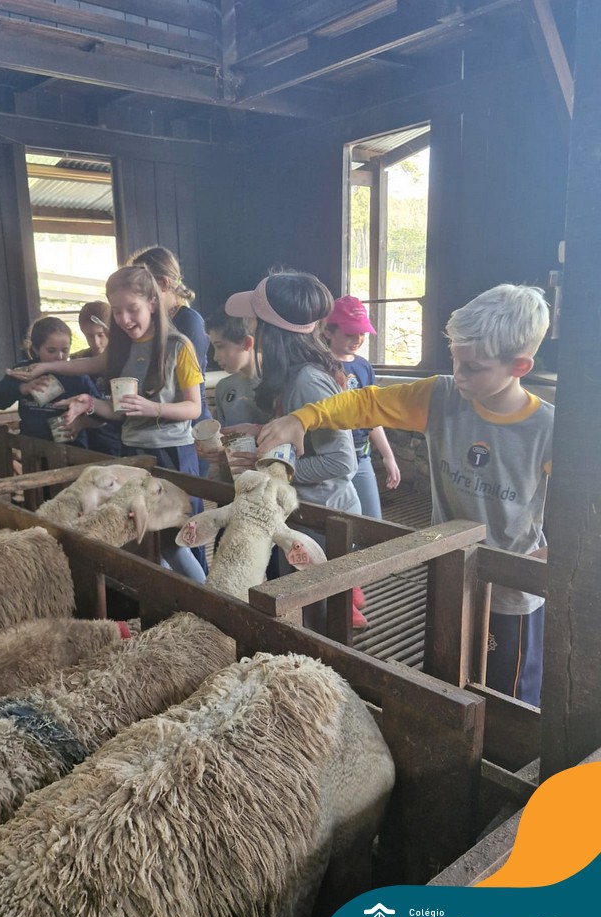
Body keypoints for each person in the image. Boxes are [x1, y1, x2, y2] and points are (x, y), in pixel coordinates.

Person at [258, 283, 552, 706]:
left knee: (508, 694)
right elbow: (366, 403)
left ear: (519, 365)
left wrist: (545, 561)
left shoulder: (547, 429)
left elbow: (584, 513)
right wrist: (304, 418)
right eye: (455, 359)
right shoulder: (441, 396)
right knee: (444, 675)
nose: (459, 374)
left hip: (509, 589)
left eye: (474, 367)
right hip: (448, 570)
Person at [8, 266, 206, 582]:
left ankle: (207, 596)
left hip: (171, 452)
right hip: (134, 454)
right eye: (117, 311)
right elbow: (116, 408)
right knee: (143, 537)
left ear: (152, 303)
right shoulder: (122, 349)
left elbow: (194, 407)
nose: (125, 319)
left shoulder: (179, 346)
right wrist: (85, 399)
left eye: (132, 308)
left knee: (175, 541)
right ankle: (166, 598)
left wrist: (151, 407)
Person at [225, 269, 362, 633]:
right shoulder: (292, 374)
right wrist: (260, 433)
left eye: (254, 319)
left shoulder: (306, 381)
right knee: (304, 614)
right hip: (306, 513)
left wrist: (267, 464)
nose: (250, 326)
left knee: (317, 624)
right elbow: (302, 439)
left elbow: (341, 461)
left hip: (325, 518)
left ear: (270, 331)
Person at [129, 246, 213, 474]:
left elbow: (179, 381)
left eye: (144, 290)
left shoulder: (189, 322)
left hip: (190, 422)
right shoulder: (155, 321)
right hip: (164, 421)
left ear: (164, 284)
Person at [0, 316, 121, 455]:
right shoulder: (24, 372)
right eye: (51, 351)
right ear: (36, 349)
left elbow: (103, 417)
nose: (59, 356)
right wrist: (22, 388)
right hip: (32, 449)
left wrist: (81, 423)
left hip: (71, 450)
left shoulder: (77, 376)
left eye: (65, 350)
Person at [324, 295, 401, 518]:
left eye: (362, 333)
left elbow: (371, 414)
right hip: (331, 455)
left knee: (373, 519)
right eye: (350, 333)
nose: (358, 338)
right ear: (328, 331)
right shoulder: (320, 366)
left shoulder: (363, 366)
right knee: (336, 519)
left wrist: (388, 455)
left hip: (361, 454)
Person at [201, 308, 265, 481]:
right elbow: (225, 438)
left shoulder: (278, 385)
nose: (215, 357)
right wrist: (217, 452)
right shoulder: (224, 387)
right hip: (234, 482)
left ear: (247, 343)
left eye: (220, 346)